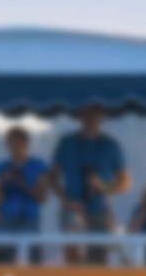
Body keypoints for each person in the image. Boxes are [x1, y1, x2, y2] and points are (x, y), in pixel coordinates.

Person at [51, 103, 129, 263]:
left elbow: (125, 182)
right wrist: (68, 201)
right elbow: (52, 178)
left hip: (100, 209)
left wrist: (104, 187)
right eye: (88, 114)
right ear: (81, 115)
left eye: (96, 115)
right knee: (72, 251)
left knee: (99, 256)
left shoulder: (110, 145)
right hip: (72, 206)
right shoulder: (67, 143)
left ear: (102, 117)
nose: (92, 119)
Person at [0, 126, 54, 253]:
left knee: (32, 259)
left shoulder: (39, 166)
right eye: (9, 143)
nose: (12, 147)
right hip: (7, 218)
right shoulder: (1, 167)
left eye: (15, 142)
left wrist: (22, 183)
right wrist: (1, 182)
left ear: (25, 143)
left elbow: (42, 197)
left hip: (30, 219)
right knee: (3, 259)